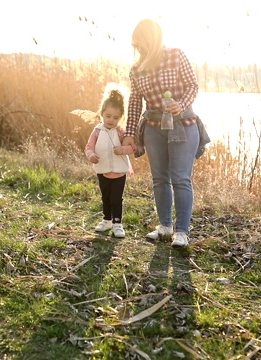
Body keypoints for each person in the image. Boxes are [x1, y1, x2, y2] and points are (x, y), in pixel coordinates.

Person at [122, 18, 201, 248]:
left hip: (183, 125)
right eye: (136, 45)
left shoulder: (175, 55)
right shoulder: (136, 70)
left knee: (180, 178)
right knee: (159, 179)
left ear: (151, 40)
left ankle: (182, 232)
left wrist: (181, 104)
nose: (138, 49)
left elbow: (193, 86)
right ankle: (165, 226)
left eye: (141, 43)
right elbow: (135, 101)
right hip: (154, 127)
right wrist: (130, 133)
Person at [85, 88, 134, 238]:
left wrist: (122, 149)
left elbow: (133, 148)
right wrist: (91, 155)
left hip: (119, 172)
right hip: (103, 170)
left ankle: (117, 223)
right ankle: (106, 220)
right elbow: (89, 147)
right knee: (105, 196)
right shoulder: (97, 131)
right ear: (102, 114)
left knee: (116, 198)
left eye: (115, 117)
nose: (111, 120)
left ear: (120, 118)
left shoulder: (121, 132)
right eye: (108, 116)